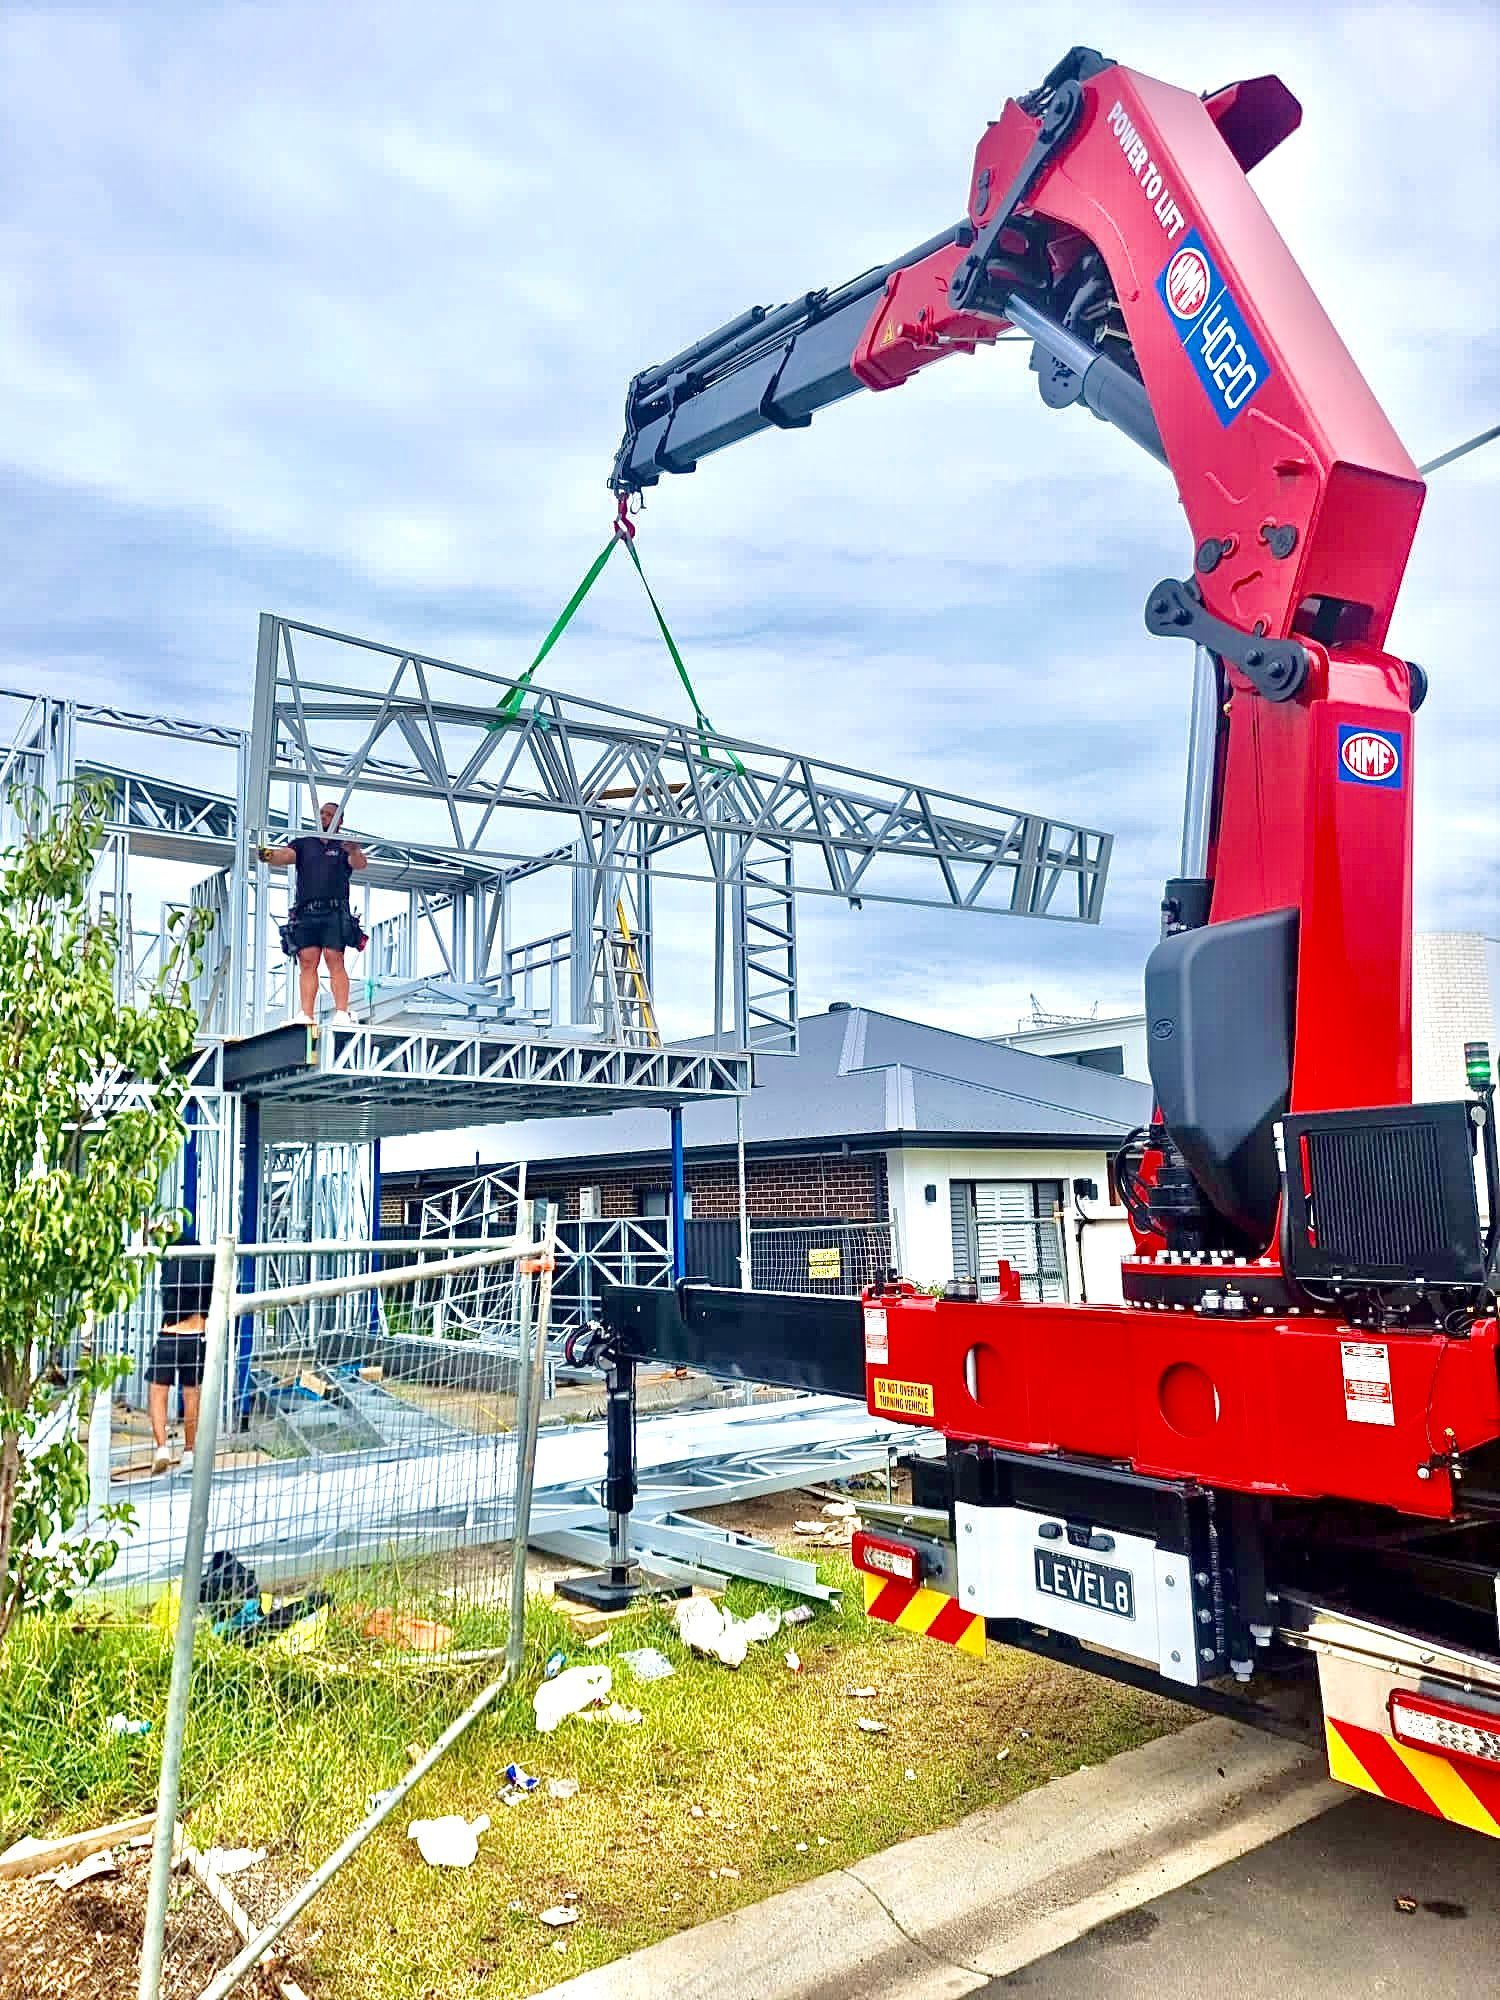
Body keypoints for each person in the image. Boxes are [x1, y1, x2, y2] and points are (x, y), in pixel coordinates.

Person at [259, 802, 368, 1024]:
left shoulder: (343, 845)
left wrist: (355, 849)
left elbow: (359, 864)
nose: (324, 817)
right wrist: (267, 854)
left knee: (334, 957)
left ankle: (341, 1012)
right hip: (306, 911)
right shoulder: (304, 843)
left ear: (339, 821)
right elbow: (285, 856)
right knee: (307, 961)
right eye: (322, 813)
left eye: (329, 814)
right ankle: (306, 1014)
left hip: (334, 910)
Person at [147, 1253, 215, 1473]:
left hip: (169, 1336)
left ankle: (162, 1448)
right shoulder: (205, 1267)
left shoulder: (171, 1268)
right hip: (195, 1337)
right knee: (192, 1396)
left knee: (158, 1394)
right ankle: (189, 1452)